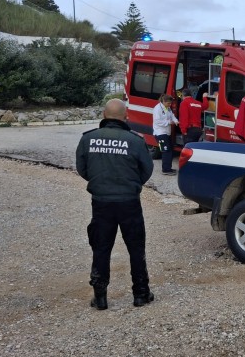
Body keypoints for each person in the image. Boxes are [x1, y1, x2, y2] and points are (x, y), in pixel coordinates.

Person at [75, 99, 155, 310]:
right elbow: (146, 170)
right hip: (129, 202)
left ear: (103, 114)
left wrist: (102, 184)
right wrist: (130, 185)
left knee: (101, 248)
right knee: (136, 248)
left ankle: (100, 297)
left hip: (101, 202)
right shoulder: (135, 141)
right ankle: (141, 294)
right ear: (126, 117)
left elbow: (82, 169)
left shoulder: (88, 139)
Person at [153, 94, 178, 175]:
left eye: (170, 103)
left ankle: (168, 168)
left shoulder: (167, 108)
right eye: (168, 103)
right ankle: (166, 170)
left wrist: (175, 120)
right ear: (163, 101)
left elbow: (172, 115)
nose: (169, 105)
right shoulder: (157, 109)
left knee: (170, 150)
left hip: (166, 133)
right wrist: (168, 122)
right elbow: (157, 121)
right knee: (165, 151)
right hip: (160, 133)